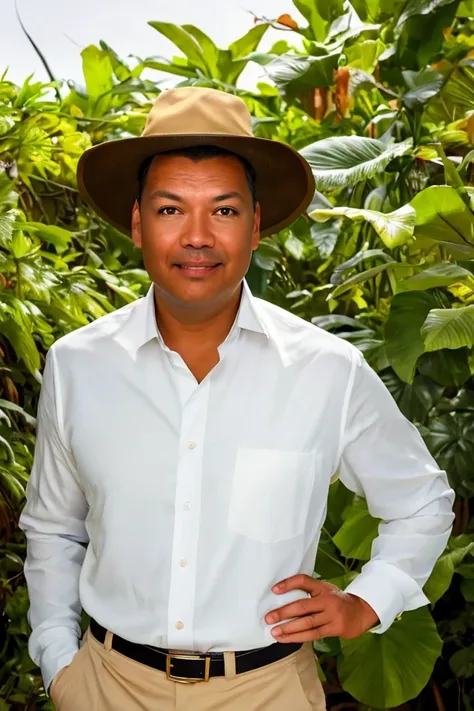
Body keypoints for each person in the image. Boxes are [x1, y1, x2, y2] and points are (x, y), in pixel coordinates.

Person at [19, 87, 455, 711]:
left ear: (255, 226)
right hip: (106, 687)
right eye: (171, 210)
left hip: (269, 690)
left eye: (222, 211)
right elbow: (54, 530)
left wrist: (368, 601)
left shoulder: (326, 370)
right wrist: (61, 662)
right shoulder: (78, 365)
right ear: (138, 224)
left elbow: (422, 501)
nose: (197, 236)